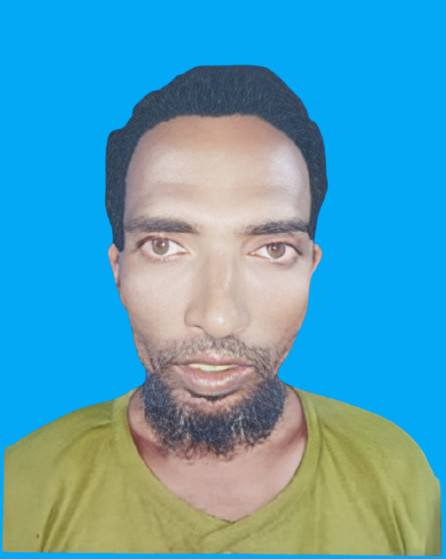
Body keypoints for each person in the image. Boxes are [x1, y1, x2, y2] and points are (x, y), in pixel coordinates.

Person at [3, 65, 441, 554]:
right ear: (118, 270)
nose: (217, 318)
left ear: (310, 267)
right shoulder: (23, 485)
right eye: (164, 246)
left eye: (272, 249)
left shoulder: (395, 474)